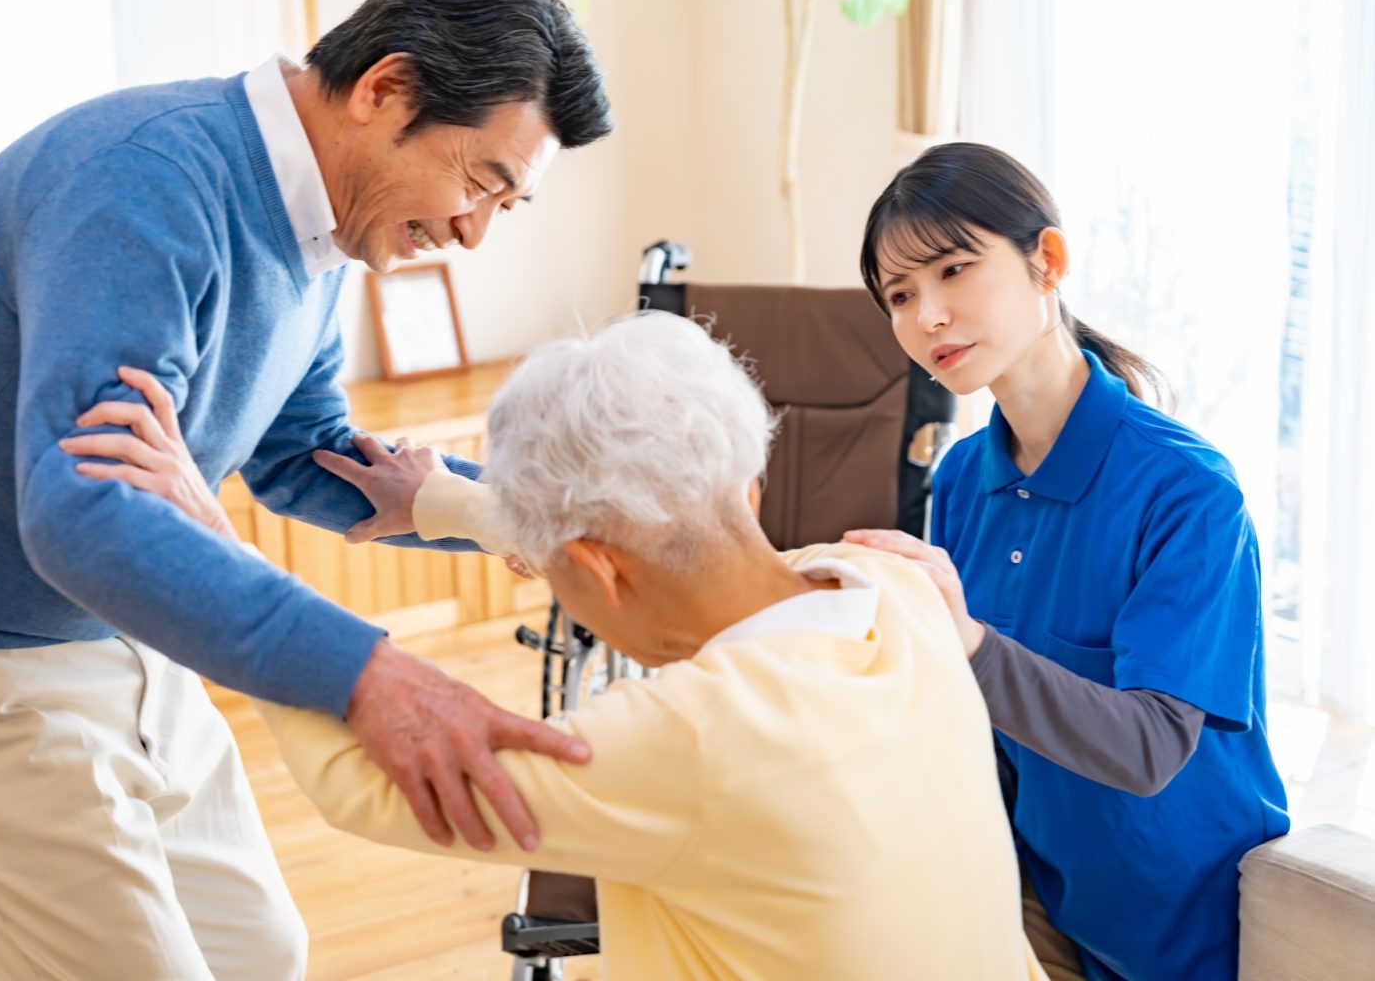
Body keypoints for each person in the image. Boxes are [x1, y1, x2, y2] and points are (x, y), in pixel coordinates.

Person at [0, 0, 611, 977]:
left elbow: (299, 444)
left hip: (125, 627)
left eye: (505, 204)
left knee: (263, 951)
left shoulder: (325, 227)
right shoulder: (145, 183)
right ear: (387, 91)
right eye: (480, 182)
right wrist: (368, 674)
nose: (476, 232)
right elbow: (84, 510)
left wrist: (518, 515)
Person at [75, 313, 1047, 980]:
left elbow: (364, 783)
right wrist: (450, 502)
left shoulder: (681, 741)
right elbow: (666, 529)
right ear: (749, 484)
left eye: (549, 568)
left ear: (598, 570)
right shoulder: (899, 590)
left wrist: (212, 547)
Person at [840, 142, 1289, 980]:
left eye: (953, 271)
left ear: (1046, 261)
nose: (927, 315)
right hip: (1038, 896)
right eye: (899, 295)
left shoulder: (1189, 493)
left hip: (1186, 930)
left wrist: (967, 640)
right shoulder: (963, 479)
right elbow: (978, 724)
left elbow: (1149, 750)